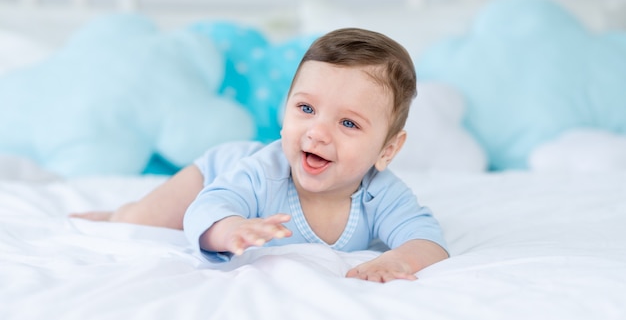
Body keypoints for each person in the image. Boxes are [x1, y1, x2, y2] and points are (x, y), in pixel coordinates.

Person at [72, 27, 449, 283]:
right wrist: (230, 228)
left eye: (348, 123)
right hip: (216, 171)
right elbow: (207, 207)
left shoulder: (381, 195)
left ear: (387, 150)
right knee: (145, 218)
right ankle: (115, 212)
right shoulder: (261, 173)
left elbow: (428, 239)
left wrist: (398, 259)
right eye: (306, 109)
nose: (317, 132)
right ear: (285, 111)